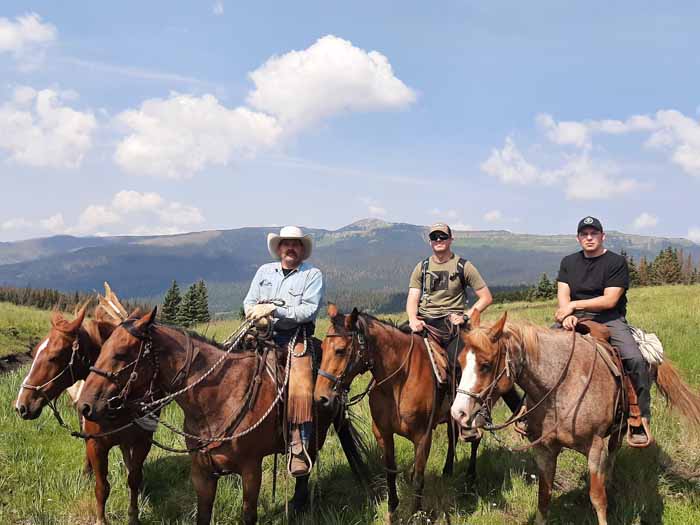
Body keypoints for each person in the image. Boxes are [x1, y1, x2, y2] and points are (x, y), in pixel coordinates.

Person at [406, 222, 523, 414]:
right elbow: (412, 298)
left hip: (452, 325)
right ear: (430, 242)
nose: (438, 240)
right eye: (435, 237)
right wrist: (412, 319)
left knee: (467, 364)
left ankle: (517, 412)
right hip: (424, 322)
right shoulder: (422, 267)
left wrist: (466, 316)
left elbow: (486, 297)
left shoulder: (463, 266)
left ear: (451, 240)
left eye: (443, 237)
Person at [555, 216, 651, 445]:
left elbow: (610, 300)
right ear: (578, 238)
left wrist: (574, 306)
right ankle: (529, 412)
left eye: (593, 233)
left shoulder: (615, 262)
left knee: (635, 359)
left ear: (602, 236)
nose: (589, 238)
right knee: (539, 352)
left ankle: (639, 417)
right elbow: (563, 293)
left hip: (609, 319)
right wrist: (567, 314)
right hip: (573, 318)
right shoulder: (569, 262)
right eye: (584, 234)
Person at [244, 226, 324, 476]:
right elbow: (249, 300)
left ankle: (298, 444)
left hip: (294, 336)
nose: (290, 248)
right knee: (224, 362)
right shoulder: (264, 271)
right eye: (286, 243)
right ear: (279, 248)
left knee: (300, 387)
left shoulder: (312, 274)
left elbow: (308, 311)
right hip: (260, 333)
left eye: (296, 244)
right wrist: (254, 314)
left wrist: (274, 310)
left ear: (302, 250)